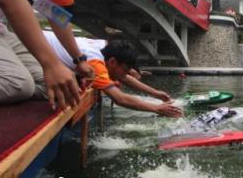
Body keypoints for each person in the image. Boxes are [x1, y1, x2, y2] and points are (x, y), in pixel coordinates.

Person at [43, 31, 183, 117]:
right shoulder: (95, 63)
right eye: (125, 69)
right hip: (29, 48)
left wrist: (155, 93)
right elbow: (119, 98)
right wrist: (156, 108)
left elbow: (123, 76)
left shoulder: (105, 49)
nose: (125, 75)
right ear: (113, 62)